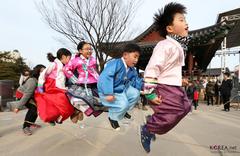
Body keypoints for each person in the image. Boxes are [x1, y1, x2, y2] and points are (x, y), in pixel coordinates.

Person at [140, 2, 191, 153]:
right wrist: (149, 92)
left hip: (174, 86)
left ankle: (153, 122)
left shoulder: (178, 46)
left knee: (186, 107)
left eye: (185, 20)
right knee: (173, 113)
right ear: (170, 28)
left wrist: (179, 80)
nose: (186, 23)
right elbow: (153, 68)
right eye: (181, 20)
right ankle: (148, 128)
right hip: (164, 87)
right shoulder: (165, 45)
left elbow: (169, 69)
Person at [98, 43, 143, 130]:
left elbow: (135, 80)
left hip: (122, 88)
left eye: (138, 57)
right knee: (123, 104)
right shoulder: (115, 63)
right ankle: (112, 118)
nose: (136, 60)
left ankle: (123, 111)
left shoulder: (131, 69)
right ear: (125, 55)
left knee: (135, 94)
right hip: (110, 90)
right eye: (135, 56)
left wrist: (143, 88)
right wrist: (108, 93)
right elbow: (106, 77)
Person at [63, 41, 103, 122]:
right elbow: (66, 69)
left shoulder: (93, 59)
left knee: (102, 99)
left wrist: (100, 79)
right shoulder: (75, 60)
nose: (89, 51)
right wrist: (75, 80)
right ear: (80, 51)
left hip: (95, 83)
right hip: (82, 84)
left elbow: (94, 71)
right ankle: (79, 111)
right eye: (87, 49)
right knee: (77, 99)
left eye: (91, 49)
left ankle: (79, 111)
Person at [35, 48, 74, 125]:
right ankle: (52, 118)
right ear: (63, 57)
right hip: (51, 86)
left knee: (63, 106)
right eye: (69, 58)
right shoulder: (54, 64)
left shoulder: (64, 66)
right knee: (58, 104)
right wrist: (40, 88)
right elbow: (43, 75)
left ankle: (56, 118)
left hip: (59, 88)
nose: (70, 60)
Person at [8, 64, 46, 135]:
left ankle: (31, 123)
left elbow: (40, 91)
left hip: (30, 95)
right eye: (42, 71)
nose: (45, 72)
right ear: (38, 72)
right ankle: (25, 127)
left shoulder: (39, 80)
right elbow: (27, 95)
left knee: (37, 108)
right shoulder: (33, 81)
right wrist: (18, 107)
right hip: (21, 94)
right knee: (33, 108)